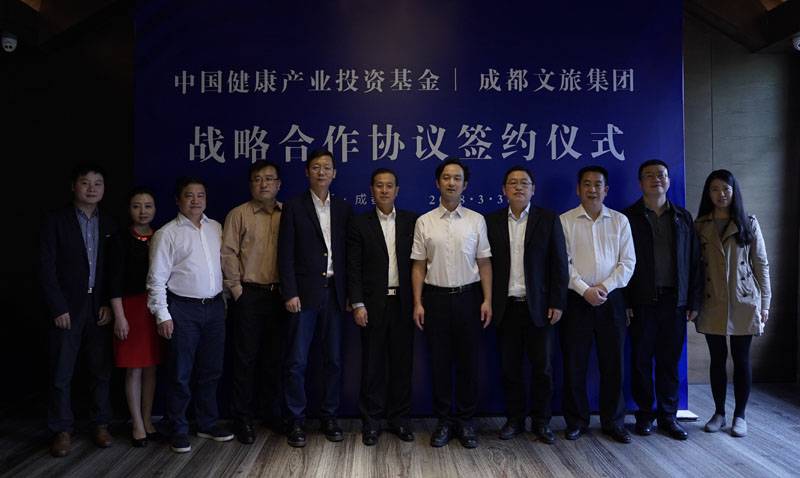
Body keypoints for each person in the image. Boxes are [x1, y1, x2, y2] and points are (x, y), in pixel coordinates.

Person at [147, 177, 233, 453]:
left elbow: (223, 267)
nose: (195, 200)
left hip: (215, 307)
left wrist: (224, 301)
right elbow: (156, 279)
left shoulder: (216, 227)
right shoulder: (167, 233)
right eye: (189, 195)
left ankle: (207, 423)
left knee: (211, 370)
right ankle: (178, 428)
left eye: (200, 195)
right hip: (182, 309)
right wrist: (162, 314)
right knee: (180, 372)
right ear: (178, 200)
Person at [411, 157, 492, 449]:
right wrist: (418, 302)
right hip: (435, 299)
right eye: (446, 177)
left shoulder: (476, 220)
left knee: (469, 363)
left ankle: (466, 421)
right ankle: (444, 421)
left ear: (465, 185)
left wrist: (487, 300)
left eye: (457, 178)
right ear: (437, 183)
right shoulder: (424, 221)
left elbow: (484, 263)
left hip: (470, 298)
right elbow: (418, 265)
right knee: (440, 363)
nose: (451, 182)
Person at [485, 166, 568, 444]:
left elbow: (559, 263)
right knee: (510, 369)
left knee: (542, 369)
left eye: (524, 183)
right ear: (504, 190)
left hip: (540, 308)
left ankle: (542, 422)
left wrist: (557, 302)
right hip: (506, 307)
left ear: (533, 189)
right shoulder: (491, 221)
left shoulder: (548, 219)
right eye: (512, 183)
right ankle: (515, 420)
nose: (518, 187)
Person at [40, 162, 118, 457]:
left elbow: (113, 269)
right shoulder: (56, 220)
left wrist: (108, 302)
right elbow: (46, 267)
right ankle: (62, 429)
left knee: (100, 369)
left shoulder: (109, 222)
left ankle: (100, 424)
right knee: (62, 371)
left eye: (98, 183)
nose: (91, 188)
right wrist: (57, 306)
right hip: (67, 307)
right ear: (74, 186)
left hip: (98, 306)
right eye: (85, 183)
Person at [623, 160, 702, 441]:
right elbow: (621, 262)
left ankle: (669, 416)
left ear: (668, 180)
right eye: (649, 175)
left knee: (669, 362)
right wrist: (626, 301)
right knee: (641, 361)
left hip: (675, 301)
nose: (656, 179)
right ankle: (645, 415)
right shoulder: (628, 217)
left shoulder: (683, 217)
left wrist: (693, 300)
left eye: (661, 175)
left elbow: (694, 261)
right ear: (640, 183)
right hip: (641, 301)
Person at [279, 149, 352, 447]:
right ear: (307, 172)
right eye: (316, 167)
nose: (322, 172)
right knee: (297, 361)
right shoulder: (294, 206)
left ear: (335, 173)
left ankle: (329, 416)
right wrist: (290, 292)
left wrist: (350, 294)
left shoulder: (343, 208)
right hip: (303, 295)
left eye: (327, 167)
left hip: (334, 293)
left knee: (333, 360)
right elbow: (285, 253)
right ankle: (296, 420)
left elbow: (349, 256)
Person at [559, 165, 635, 444]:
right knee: (574, 364)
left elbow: (628, 263)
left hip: (611, 300)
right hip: (576, 300)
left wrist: (603, 288)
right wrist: (584, 290)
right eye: (587, 184)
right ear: (578, 189)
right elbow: (563, 263)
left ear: (606, 189)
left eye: (598, 184)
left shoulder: (620, 221)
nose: (592, 189)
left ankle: (613, 422)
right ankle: (576, 421)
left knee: (613, 364)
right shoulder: (565, 221)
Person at [693, 169, 770, 438]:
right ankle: (718, 413)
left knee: (741, 358)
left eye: (726, 189)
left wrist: (766, 303)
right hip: (712, 299)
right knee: (717, 359)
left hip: (744, 299)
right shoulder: (700, 225)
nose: (721, 194)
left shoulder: (748, 223)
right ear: (708, 193)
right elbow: (694, 269)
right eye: (715, 189)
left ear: (734, 191)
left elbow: (761, 264)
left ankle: (740, 416)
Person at [347, 168, 418, 446]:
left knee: (402, 364)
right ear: (372, 190)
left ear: (397, 190)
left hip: (403, 303)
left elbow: (420, 264)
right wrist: (357, 303)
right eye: (379, 185)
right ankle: (372, 422)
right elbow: (353, 267)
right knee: (372, 365)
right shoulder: (359, 223)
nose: (384, 190)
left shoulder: (412, 221)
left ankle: (400, 419)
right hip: (372, 304)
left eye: (389, 186)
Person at [222, 161, 286, 444]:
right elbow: (228, 254)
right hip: (249, 294)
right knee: (245, 359)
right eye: (258, 179)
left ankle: (271, 413)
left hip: (280, 296)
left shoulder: (288, 213)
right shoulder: (238, 214)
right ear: (251, 185)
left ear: (279, 184)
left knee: (275, 358)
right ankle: (243, 418)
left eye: (269, 179)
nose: (264, 184)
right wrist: (237, 291)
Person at [109, 188, 163, 447]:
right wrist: (119, 317)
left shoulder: (162, 235)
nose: (143, 211)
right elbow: (113, 281)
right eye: (136, 206)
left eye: (148, 206)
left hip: (156, 308)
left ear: (155, 209)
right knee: (134, 368)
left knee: (152, 366)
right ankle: (137, 424)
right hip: (130, 308)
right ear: (129, 209)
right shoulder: (120, 239)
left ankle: (148, 419)